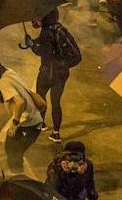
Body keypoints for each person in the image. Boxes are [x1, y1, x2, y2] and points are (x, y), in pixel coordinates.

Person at [0, 56, 44, 174]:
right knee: (14, 152)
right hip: (33, 122)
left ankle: (19, 180)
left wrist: (14, 124)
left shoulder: (3, 82)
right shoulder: (7, 72)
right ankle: (20, 176)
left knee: (13, 155)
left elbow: (20, 102)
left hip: (28, 125)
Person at [24, 11, 81, 143]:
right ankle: (56, 133)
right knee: (56, 102)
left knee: (40, 98)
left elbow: (43, 51)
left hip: (47, 72)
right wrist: (62, 65)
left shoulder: (46, 34)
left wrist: (32, 45)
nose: (35, 21)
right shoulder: (60, 30)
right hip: (61, 74)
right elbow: (77, 56)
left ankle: (41, 124)